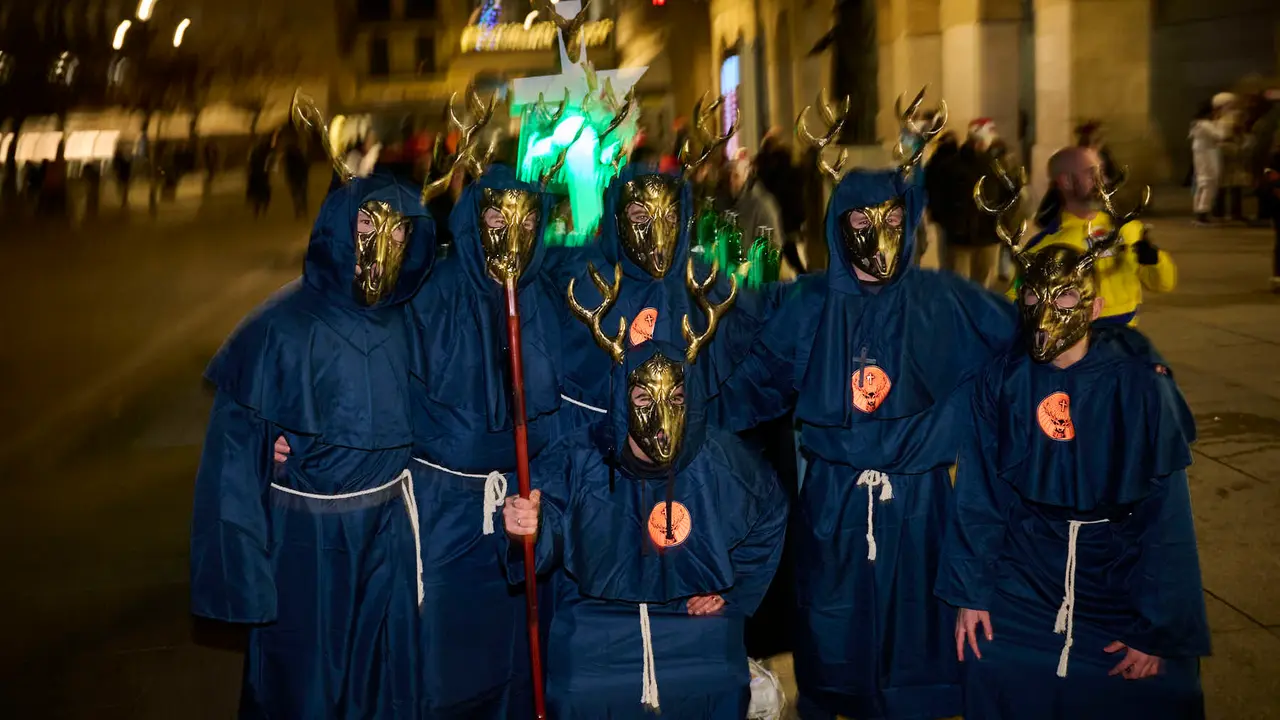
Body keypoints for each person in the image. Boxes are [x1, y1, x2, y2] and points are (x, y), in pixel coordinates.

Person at [719, 91, 1020, 720]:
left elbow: (1038, 344)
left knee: (919, 640)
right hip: (833, 503)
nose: (875, 236)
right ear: (838, 227)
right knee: (835, 638)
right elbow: (745, 380)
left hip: (924, 506)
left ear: (908, 223)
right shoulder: (808, 306)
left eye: (888, 221)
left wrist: (1120, 359)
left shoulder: (948, 302)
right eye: (859, 223)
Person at [936, 214, 1210, 720]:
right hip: (1027, 568)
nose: (1046, 313)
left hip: (1118, 571)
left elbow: (1166, 519)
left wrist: (1156, 626)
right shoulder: (1003, 380)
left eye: (1063, 298)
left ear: (1096, 306)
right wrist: (971, 592)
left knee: (1162, 690)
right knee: (985, 662)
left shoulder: (1140, 388)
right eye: (1034, 300)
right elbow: (979, 496)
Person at [191, 162, 436, 717]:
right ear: (341, 229)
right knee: (304, 689)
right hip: (307, 543)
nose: (385, 245)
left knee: (383, 683)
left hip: (389, 535)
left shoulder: (407, 319)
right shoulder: (278, 327)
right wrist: (244, 579)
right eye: (369, 229)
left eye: (400, 232)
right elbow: (231, 464)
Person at [504, 315, 787, 717]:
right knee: (575, 693)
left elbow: (769, 510)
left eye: (674, 399)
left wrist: (732, 590)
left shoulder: (721, 461)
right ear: (623, 401)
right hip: (599, 616)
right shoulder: (580, 456)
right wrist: (529, 528)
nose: (661, 417)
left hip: (690, 619)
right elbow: (549, 521)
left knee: (718, 682)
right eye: (643, 400)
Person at [1011, 147, 1176, 327]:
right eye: (1092, 174)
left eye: (1102, 172)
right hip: (1078, 344)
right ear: (1066, 181)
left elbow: (1164, 284)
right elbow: (1015, 299)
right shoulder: (1045, 244)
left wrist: (1155, 261)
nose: (1103, 181)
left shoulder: (1128, 229)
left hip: (1127, 340)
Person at [944, 119, 1003, 288]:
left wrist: (1002, 222)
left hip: (987, 234)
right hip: (960, 236)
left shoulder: (996, 165)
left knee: (982, 286)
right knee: (958, 286)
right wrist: (950, 221)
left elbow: (1008, 195)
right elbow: (939, 195)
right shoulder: (953, 165)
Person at [1189, 101, 1227, 226]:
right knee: (1209, 182)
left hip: (1202, 155)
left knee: (1202, 183)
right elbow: (1220, 135)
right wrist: (1220, 123)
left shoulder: (1197, 124)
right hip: (1208, 155)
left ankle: (1200, 211)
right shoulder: (1206, 124)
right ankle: (1203, 213)